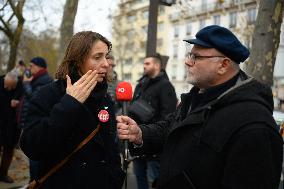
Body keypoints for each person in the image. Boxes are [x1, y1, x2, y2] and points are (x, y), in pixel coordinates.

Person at [117, 25, 283, 189]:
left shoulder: (255, 125)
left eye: (196, 57)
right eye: (190, 54)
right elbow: (170, 129)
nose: (187, 62)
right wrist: (140, 134)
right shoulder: (196, 98)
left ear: (223, 65)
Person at [20, 31, 125, 189]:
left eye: (106, 56)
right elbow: (32, 146)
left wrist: (116, 176)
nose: (106, 64)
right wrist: (69, 104)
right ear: (77, 61)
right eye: (98, 57)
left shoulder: (104, 97)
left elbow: (109, 147)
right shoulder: (49, 94)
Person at [128, 53, 177, 189]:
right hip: (138, 140)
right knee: (139, 176)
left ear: (157, 65)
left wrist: (154, 134)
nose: (144, 66)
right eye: (144, 63)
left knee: (156, 179)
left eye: (147, 63)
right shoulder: (141, 84)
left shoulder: (165, 86)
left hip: (154, 145)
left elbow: (168, 116)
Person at [18, 57, 53, 182]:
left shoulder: (45, 80)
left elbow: (35, 99)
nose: (29, 68)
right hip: (29, 124)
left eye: (31, 65)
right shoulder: (36, 79)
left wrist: (26, 84)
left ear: (40, 67)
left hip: (35, 127)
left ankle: (35, 182)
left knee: (35, 159)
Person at [0, 71, 21, 183]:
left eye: (10, 86)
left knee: (8, 150)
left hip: (11, 125)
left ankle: (3, 174)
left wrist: (17, 100)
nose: (7, 87)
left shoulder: (20, 86)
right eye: (6, 85)